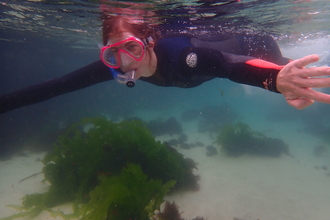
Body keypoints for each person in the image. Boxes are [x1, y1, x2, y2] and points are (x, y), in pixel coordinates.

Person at [1, 15, 330, 114]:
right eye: (114, 52)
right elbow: (53, 87)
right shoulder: (116, 64)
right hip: (246, 59)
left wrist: (275, 79)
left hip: (257, 47)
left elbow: (230, 65)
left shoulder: (182, 57)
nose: (124, 60)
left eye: (130, 47)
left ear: (148, 42)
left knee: (295, 76)